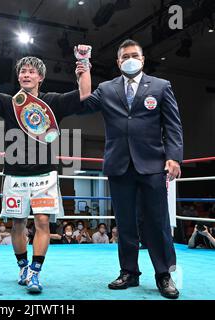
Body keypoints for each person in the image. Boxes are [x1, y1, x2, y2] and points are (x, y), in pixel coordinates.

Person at [0, 37, 91, 293]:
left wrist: (84, 63)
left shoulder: (52, 101)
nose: (26, 74)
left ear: (40, 78)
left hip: (45, 175)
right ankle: (23, 266)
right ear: (19, 77)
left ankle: (36, 273)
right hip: (14, 174)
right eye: (22, 71)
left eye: (31, 71)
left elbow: (84, 93)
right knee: (16, 225)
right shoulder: (9, 102)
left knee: (42, 223)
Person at [80, 39, 183, 299]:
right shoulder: (106, 88)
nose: (130, 58)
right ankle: (129, 272)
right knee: (125, 222)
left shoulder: (161, 86)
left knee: (158, 222)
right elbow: (83, 103)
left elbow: (172, 125)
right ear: (118, 61)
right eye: (125, 55)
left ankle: (164, 275)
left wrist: (174, 157)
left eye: (134, 54)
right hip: (119, 164)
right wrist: (83, 68)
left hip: (152, 164)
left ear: (143, 58)